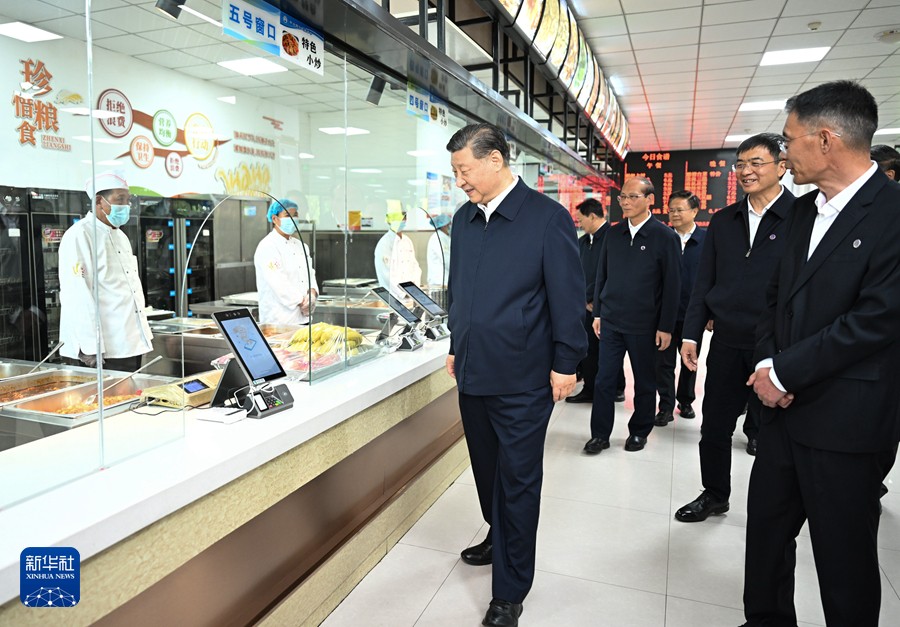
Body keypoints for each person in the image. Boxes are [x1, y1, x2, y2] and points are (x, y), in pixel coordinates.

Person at [743, 80, 900, 627]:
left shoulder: (892, 213)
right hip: (781, 416)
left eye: (789, 141)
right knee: (766, 537)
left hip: (846, 422)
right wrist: (767, 364)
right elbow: (773, 299)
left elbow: (876, 320)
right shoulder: (802, 212)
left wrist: (785, 372)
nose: (784, 153)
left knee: (843, 559)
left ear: (827, 139)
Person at [445, 123, 586, 627]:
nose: (459, 181)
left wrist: (566, 361)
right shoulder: (463, 219)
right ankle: (498, 533)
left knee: (518, 481)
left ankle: (509, 590)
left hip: (524, 378)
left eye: (465, 170)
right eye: (455, 172)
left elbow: (567, 296)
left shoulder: (546, 218)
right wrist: (455, 342)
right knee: (486, 471)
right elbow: (457, 290)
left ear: (496, 160)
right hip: (473, 371)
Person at [674, 133, 795, 523]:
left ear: (781, 167)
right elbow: (704, 282)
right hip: (727, 340)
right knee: (715, 426)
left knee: (774, 432)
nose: (746, 171)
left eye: (756, 162)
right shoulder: (724, 220)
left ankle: (776, 506)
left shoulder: (802, 216)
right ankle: (714, 494)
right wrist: (691, 334)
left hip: (776, 344)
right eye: (740, 164)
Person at [585, 177, 681, 454]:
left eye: (632, 197)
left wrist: (666, 326)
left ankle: (639, 431)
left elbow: (673, 286)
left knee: (645, 381)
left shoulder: (665, 237)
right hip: (611, 321)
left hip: (645, 324)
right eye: (622, 197)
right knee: (604, 380)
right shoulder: (613, 234)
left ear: (650, 199)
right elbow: (602, 275)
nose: (625, 202)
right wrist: (598, 313)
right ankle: (599, 434)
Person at [58, 171, 153, 372]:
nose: (126, 206)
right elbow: (77, 294)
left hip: (130, 342)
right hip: (103, 348)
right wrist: (90, 346)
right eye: (120, 200)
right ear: (99, 201)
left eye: (128, 200)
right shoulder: (79, 235)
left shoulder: (121, 237)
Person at [565, 198, 625, 404]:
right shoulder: (582, 242)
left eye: (581, 219)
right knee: (589, 349)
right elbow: (575, 273)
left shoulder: (613, 238)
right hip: (585, 306)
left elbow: (612, 274)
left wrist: (593, 299)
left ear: (592, 216)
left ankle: (616, 387)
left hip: (605, 306)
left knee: (609, 351)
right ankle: (590, 388)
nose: (579, 224)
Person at [654, 190, 705, 426]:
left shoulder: (706, 240)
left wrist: (710, 313)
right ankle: (665, 406)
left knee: (689, 360)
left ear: (694, 211)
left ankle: (685, 401)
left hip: (693, 313)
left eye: (679, 210)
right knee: (663, 362)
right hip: (665, 313)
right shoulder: (663, 238)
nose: (674, 214)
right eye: (671, 210)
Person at [254, 198, 318, 326]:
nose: (293, 219)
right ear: (275, 219)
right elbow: (278, 282)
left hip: (304, 318)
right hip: (279, 319)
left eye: (295, 215)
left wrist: (312, 294)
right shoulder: (268, 246)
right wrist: (302, 301)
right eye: (288, 215)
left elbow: (310, 274)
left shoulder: (301, 246)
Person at [374, 207, 421, 300]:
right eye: (396, 217)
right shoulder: (384, 244)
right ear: (389, 220)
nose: (400, 220)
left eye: (402, 217)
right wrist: (402, 293)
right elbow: (386, 274)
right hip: (393, 298)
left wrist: (415, 290)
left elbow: (415, 267)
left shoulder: (407, 241)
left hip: (411, 295)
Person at [426, 213, 451, 287]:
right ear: (444, 225)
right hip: (439, 280)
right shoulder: (438, 238)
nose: (450, 226)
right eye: (449, 224)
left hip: (445, 280)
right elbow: (446, 259)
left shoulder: (446, 237)